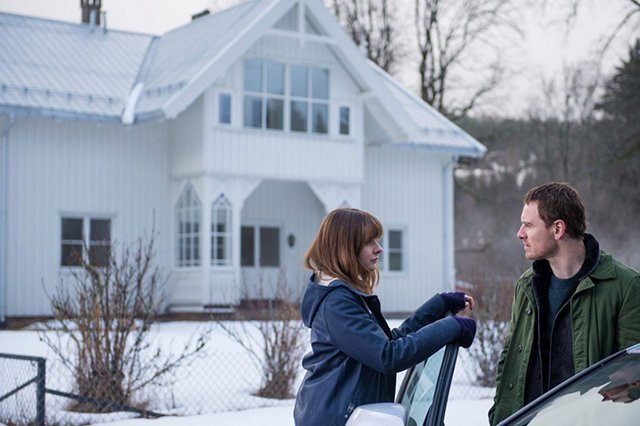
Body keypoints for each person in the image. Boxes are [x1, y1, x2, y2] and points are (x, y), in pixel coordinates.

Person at [293, 208, 476, 426]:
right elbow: (389, 356)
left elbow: (387, 342)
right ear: (345, 248)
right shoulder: (336, 303)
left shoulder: (345, 295)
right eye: (368, 242)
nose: (379, 248)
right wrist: (452, 327)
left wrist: (439, 305)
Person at [489, 182, 640, 425]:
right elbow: (509, 359)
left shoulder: (625, 286)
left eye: (528, 225)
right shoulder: (526, 286)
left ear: (558, 228)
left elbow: (635, 372)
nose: (520, 233)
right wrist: (499, 415)